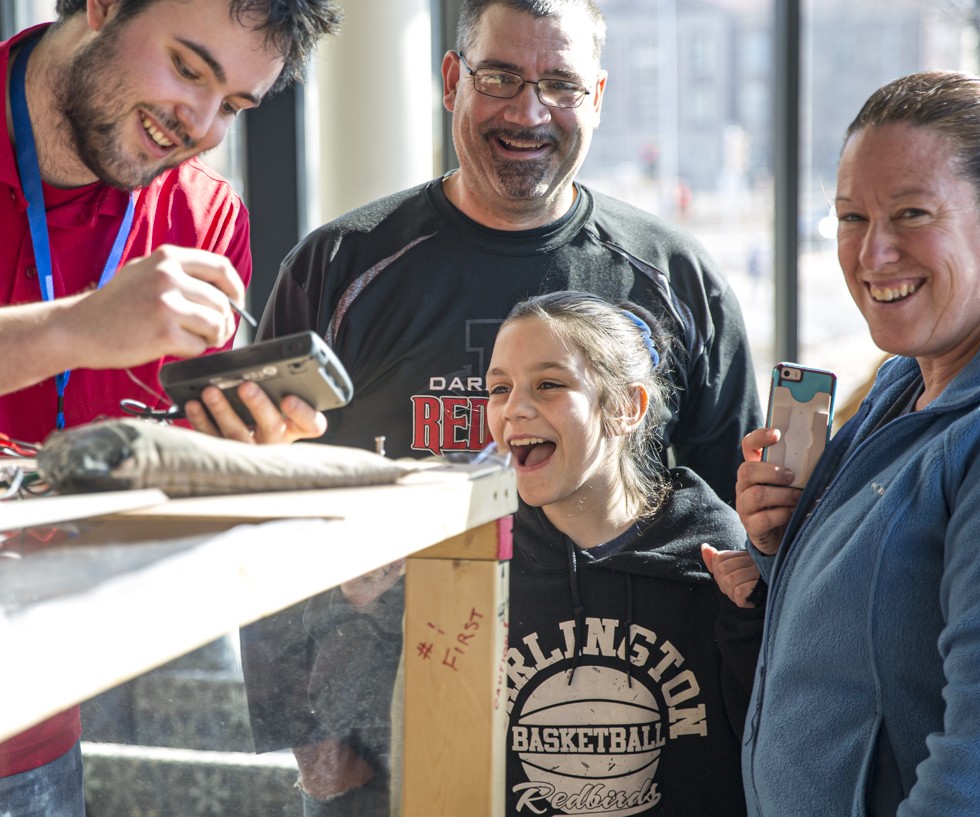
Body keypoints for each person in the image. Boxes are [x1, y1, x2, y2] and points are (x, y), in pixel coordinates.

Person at [229, 0, 763, 813]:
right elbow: (266, 499)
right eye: (501, 77)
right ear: (452, 81)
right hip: (381, 750)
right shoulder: (340, 266)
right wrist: (309, 732)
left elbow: (725, 518)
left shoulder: (676, 279)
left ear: (598, 96)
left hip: (625, 745)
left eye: (560, 84)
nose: (529, 111)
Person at [0, 0, 341, 814]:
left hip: (20, 737)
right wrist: (73, 329)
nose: (200, 124)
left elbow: (155, 500)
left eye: (234, 105)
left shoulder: (206, 221)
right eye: (189, 68)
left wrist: (237, 456)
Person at [735, 70, 980, 816]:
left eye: (912, 214)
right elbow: (893, 628)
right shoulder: (911, 378)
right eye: (850, 218)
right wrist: (794, 540)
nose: (873, 254)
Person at [489, 291, 763, 816]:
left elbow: (773, 734)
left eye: (549, 384)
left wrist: (752, 614)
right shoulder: (478, 562)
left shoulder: (719, 556)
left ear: (626, 408)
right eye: (499, 388)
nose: (514, 409)